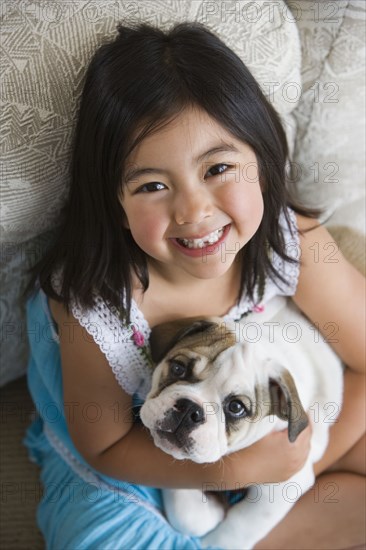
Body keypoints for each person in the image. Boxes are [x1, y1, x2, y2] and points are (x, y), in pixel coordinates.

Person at [24, 22, 365, 549]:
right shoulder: (96, 300)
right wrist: (229, 474)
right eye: (153, 185)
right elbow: (107, 447)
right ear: (114, 202)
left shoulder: (291, 241)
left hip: (283, 438)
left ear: (265, 167)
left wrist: (303, 461)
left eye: (219, 168)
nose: (193, 211)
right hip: (141, 466)